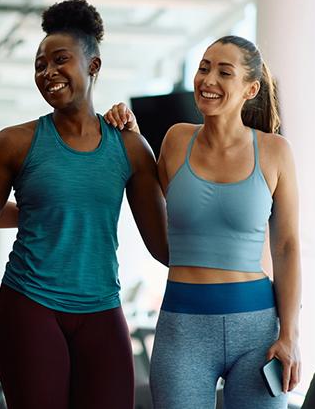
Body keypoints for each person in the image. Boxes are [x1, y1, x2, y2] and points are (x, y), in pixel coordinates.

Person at [0, 0, 169, 409]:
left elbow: (165, 249)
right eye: (40, 65)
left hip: (101, 309)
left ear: (93, 65)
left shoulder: (130, 148)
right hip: (29, 306)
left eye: (60, 60)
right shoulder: (14, 143)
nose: (48, 72)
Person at [105, 35, 301, 409]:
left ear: (251, 89)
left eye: (224, 72)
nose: (208, 80)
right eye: (204, 68)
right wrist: (130, 134)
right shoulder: (176, 140)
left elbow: (287, 248)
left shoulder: (275, 151)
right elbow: (147, 196)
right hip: (183, 328)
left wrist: (290, 334)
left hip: (257, 331)